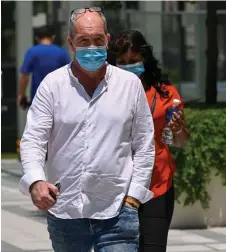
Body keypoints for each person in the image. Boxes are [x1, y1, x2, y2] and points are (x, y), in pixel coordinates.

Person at [19, 8, 155, 252]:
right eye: (84, 41)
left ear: (107, 40)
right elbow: (33, 140)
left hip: (117, 212)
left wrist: (133, 197)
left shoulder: (130, 85)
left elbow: (144, 144)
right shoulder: (53, 85)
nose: (92, 47)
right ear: (71, 43)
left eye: (97, 40)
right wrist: (36, 181)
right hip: (66, 211)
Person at [108, 30, 190, 252]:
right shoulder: (104, 93)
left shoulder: (165, 94)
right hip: (116, 188)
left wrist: (178, 128)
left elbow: (180, 141)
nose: (128, 66)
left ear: (145, 59)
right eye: (122, 62)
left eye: (134, 61)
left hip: (157, 185)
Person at [18, 25, 70, 108]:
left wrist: (22, 95)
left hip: (38, 99)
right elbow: (69, 76)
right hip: (58, 100)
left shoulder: (32, 52)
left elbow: (24, 76)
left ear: (37, 38)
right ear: (53, 37)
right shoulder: (61, 52)